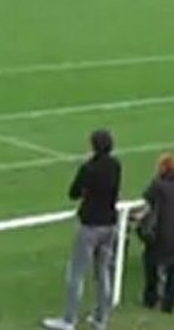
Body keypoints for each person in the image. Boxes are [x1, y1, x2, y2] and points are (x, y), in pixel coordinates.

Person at [42, 129, 121, 330]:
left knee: (76, 272)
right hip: (110, 223)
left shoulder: (89, 168)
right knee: (103, 271)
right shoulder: (115, 165)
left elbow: (73, 192)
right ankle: (101, 318)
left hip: (90, 224)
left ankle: (69, 319)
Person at [140, 153, 174, 314]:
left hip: (164, 233)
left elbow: (146, 204)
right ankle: (168, 305)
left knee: (150, 261)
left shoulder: (158, 184)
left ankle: (151, 298)